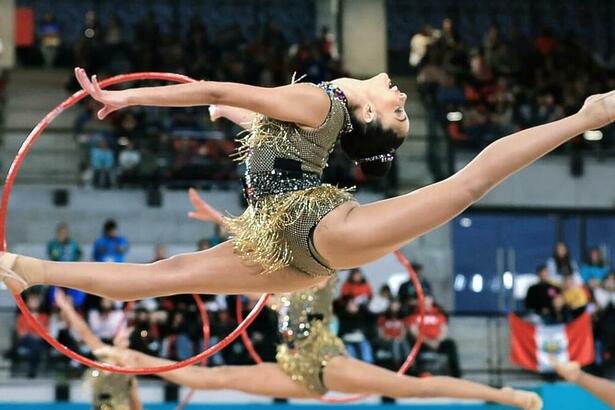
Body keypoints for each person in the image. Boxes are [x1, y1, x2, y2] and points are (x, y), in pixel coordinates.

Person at [3, 67, 615, 303]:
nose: (401, 95)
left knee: (463, 188)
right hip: (291, 249)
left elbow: (218, 90)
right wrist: (232, 117)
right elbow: (260, 131)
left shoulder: (318, 102)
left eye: (397, 109)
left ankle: (584, 117)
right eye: (403, 107)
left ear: (367, 116)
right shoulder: (313, 115)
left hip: (313, 232)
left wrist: (125, 97)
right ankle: (27, 270)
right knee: (163, 279)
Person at [97, 280, 541, 409]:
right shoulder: (273, 291)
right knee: (212, 378)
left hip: (325, 360)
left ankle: (500, 395)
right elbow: (238, 267)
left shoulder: (321, 273)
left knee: (412, 387)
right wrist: (217, 221)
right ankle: (135, 357)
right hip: (290, 366)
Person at [54, 290, 142, 410]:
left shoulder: (130, 366)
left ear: (129, 343)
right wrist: (67, 308)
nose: (121, 336)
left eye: (126, 337)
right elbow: (85, 333)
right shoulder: (106, 354)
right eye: (122, 335)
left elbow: (136, 405)